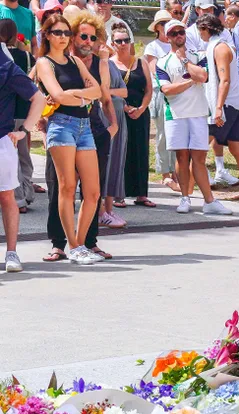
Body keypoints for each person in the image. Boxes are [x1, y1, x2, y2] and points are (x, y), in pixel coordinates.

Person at [41, 11, 112, 264]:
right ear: (47, 35)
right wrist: (81, 95)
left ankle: (79, 244)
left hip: (84, 127)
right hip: (61, 125)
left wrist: (76, 94)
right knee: (67, 187)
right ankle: (70, 244)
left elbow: (98, 90)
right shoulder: (44, 63)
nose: (62, 37)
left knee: (93, 192)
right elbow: (57, 96)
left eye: (65, 33)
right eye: (57, 32)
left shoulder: (76, 62)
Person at [154, 17, 232, 218]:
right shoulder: (162, 62)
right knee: (181, 157)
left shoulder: (198, 55)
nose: (179, 36)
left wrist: (185, 61)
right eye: (174, 33)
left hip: (198, 114)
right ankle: (185, 197)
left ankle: (209, 201)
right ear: (167, 37)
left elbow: (203, 77)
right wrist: (189, 83)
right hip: (176, 115)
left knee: (199, 158)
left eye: (181, 32)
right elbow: (167, 89)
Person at [199, 14, 239, 202]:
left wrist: (217, 107)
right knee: (237, 148)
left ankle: (191, 191)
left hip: (226, 107)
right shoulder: (218, 45)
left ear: (206, 29)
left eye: (200, 31)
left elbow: (224, 80)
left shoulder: (220, 48)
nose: (200, 35)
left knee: (197, 148)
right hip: (232, 105)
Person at [0, 45, 45, 272]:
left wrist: (25, 130)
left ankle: (11, 253)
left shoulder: (6, 66)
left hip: (2, 140)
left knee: (7, 197)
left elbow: (39, 98)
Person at [0, 19, 34, 215]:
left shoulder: (5, 57)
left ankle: (19, 198)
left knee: (13, 158)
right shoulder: (26, 56)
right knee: (24, 155)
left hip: (10, 113)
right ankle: (27, 193)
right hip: (26, 109)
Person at [98, 24, 129, 228]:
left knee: (116, 163)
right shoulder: (93, 64)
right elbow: (101, 91)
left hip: (118, 116)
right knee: (103, 165)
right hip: (102, 117)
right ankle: (100, 212)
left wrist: (110, 91)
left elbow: (124, 92)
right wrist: (109, 91)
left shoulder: (110, 64)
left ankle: (109, 209)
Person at [144, 10, 178, 192]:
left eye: (168, 22)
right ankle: (166, 173)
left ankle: (176, 171)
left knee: (176, 134)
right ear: (156, 27)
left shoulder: (179, 44)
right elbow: (155, 72)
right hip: (161, 93)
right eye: (162, 23)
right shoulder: (152, 47)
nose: (165, 26)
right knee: (163, 134)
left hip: (179, 93)